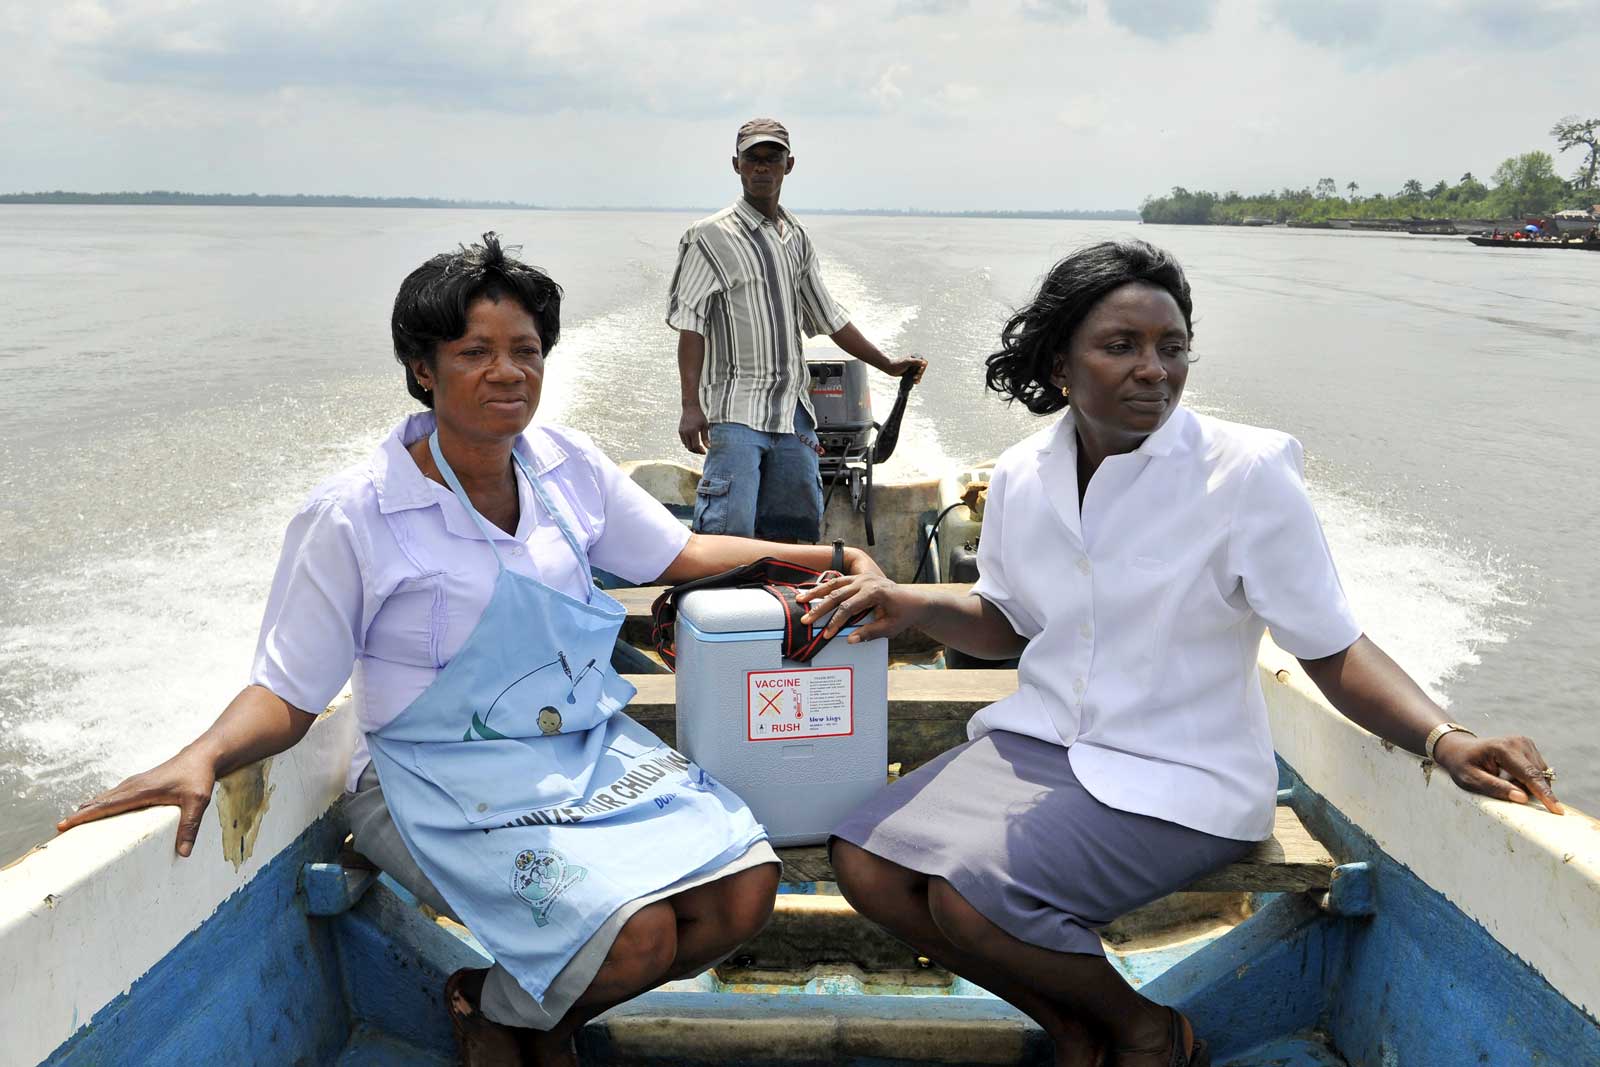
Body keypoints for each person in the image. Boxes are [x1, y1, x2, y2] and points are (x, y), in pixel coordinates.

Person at [57, 233, 884, 1067]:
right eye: (475, 352)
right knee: (637, 937)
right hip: (433, 779)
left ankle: (516, 1014)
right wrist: (202, 754)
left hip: (580, 752)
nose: (508, 372)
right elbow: (289, 689)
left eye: (526, 351)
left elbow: (678, 555)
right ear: (424, 369)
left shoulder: (568, 468)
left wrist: (838, 561)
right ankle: (504, 1013)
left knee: (744, 891)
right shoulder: (355, 514)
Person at [795, 239, 1562, 1067]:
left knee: (971, 901)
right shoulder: (1024, 473)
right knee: (867, 862)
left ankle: (1144, 1029)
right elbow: (1009, 619)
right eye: (1120, 346)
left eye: (1172, 347)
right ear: (1060, 364)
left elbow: (1330, 645)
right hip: (1043, 740)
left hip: (1177, 774)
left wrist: (1444, 738)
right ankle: (1074, 1025)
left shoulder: (1245, 471)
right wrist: (905, 601)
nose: (1154, 369)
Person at [667, 116, 926, 541]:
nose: (763, 167)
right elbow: (690, 324)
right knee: (727, 534)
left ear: (790, 165)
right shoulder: (708, 236)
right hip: (736, 413)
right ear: (736, 165)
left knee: (797, 534)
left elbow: (829, 316)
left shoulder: (796, 237)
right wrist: (690, 405)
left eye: (773, 158)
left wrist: (887, 364)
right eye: (753, 159)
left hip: (794, 415)